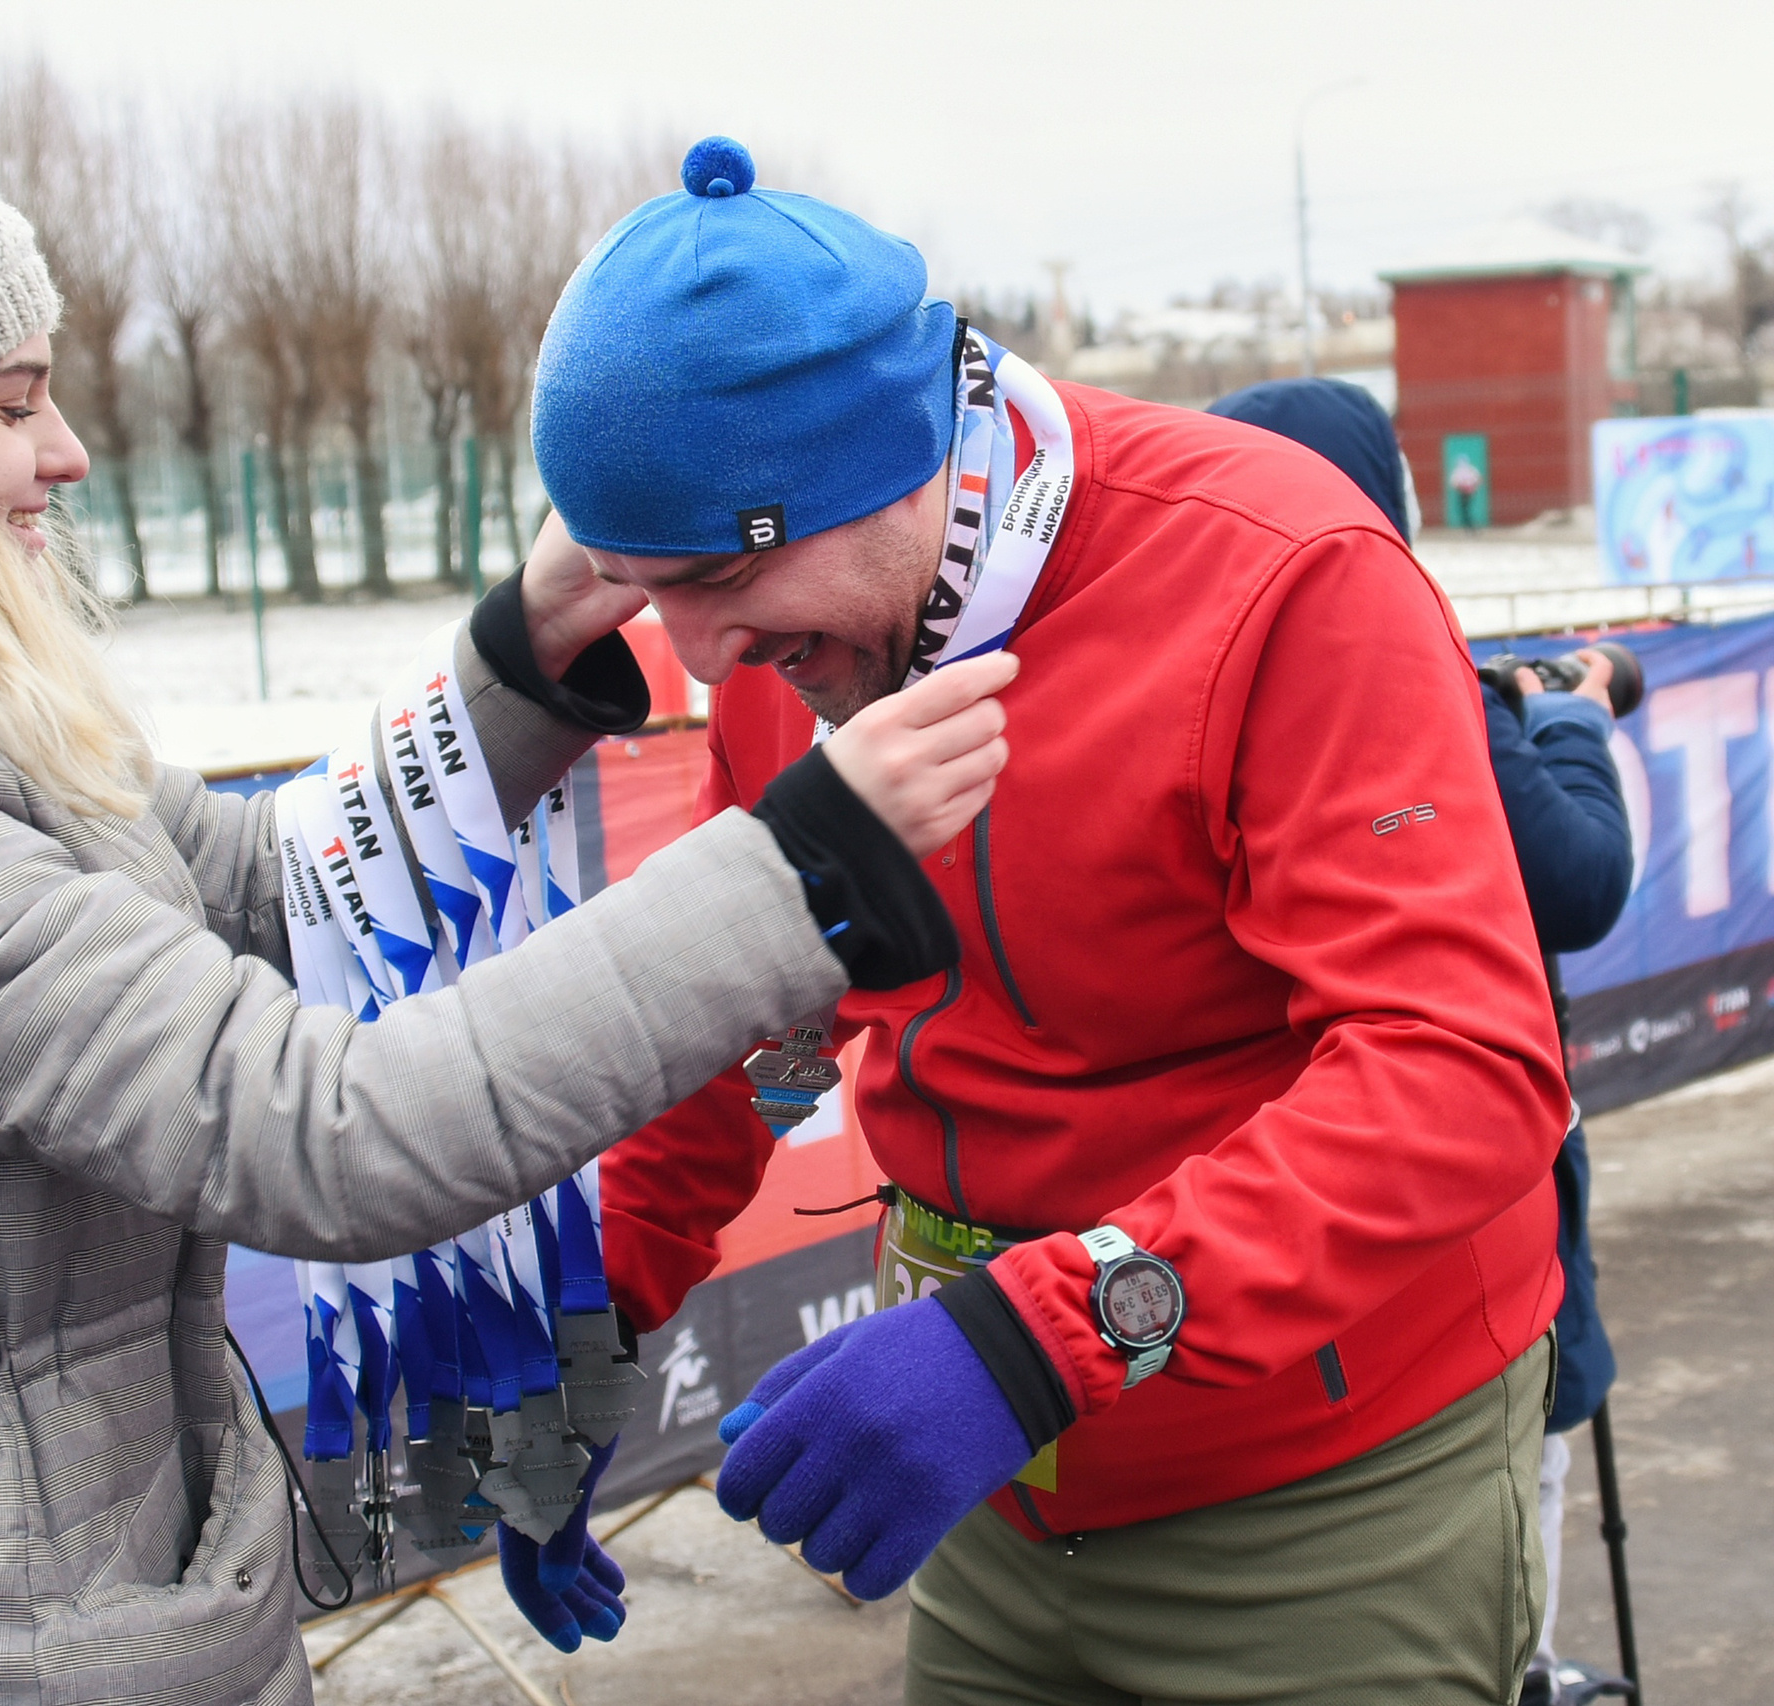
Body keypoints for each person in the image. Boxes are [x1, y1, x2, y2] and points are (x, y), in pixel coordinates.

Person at [0, 72, 1003, 1706]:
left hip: (79, 1583)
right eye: (10, 401)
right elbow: (317, 1130)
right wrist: (797, 868)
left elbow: (279, 887)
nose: (65, 451)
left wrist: (535, 640)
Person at [521, 139, 1572, 1703]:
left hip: (1326, 1489)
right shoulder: (789, 648)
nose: (700, 652)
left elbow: (1462, 1071)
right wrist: (599, 1317)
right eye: (636, 586)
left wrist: (1033, 1341)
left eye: (716, 576)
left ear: (883, 457)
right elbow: (761, 1020)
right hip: (1001, 1489)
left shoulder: (1280, 569)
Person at [1209, 377, 1636, 1706]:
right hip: (1433, 1234)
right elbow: (1576, 879)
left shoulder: (1211, 667)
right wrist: (1565, 715)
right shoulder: (1403, 669)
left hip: (1289, 1246)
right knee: (1516, 1479)